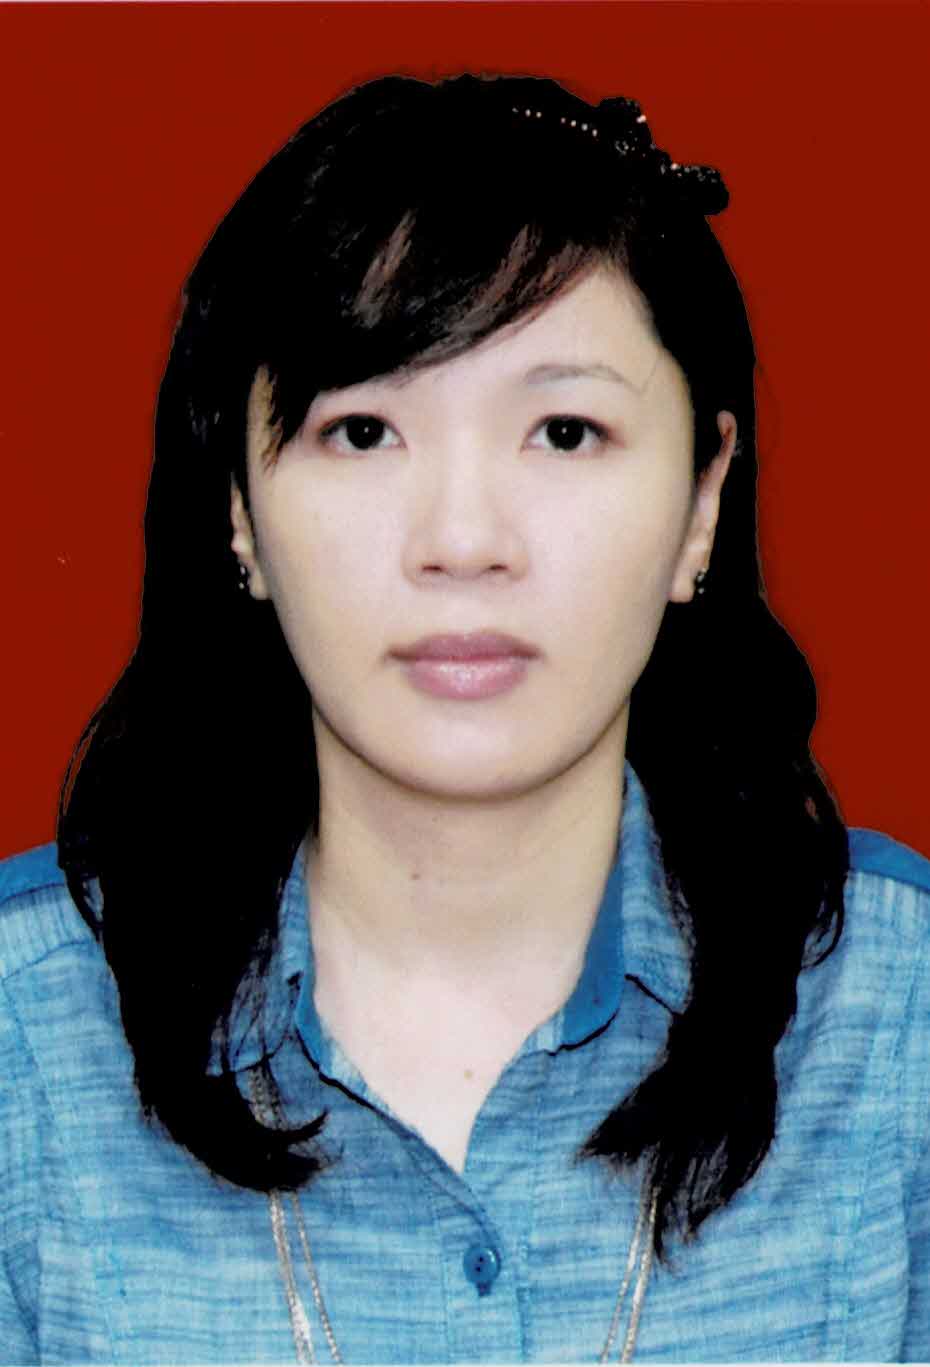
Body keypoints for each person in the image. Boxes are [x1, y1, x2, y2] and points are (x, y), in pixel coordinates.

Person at [1, 71, 928, 1365]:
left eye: (564, 431)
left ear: (702, 501)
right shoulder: (22, 1033)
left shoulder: (900, 1013)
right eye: (362, 431)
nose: (462, 539)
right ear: (238, 513)